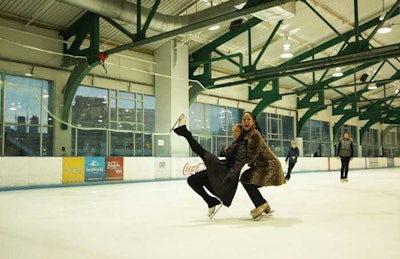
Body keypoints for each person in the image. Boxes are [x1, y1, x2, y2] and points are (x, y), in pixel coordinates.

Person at [172, 114, 247, 218]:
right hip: (222, 169)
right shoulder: (236, 143)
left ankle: (184, 131)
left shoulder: (242, 144)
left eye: (236, 131)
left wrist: (230, 176)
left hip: (225, 172)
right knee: (192, 180)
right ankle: (211, 201)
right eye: (232, 131)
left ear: (242, 132)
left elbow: (239, 163)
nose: (233, 134)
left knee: (202, 152)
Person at [238, 111, 286, 220]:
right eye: (244, 119)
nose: (246, 121)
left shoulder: (254, 133)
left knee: (247, 179)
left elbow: (252, 155)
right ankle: (265, 206)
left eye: (248, 119)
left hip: (269, 164)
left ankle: (261, 204)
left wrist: (238, 163)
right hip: (263, 165)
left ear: (253, 121)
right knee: (247, 179)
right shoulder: (247, 134)